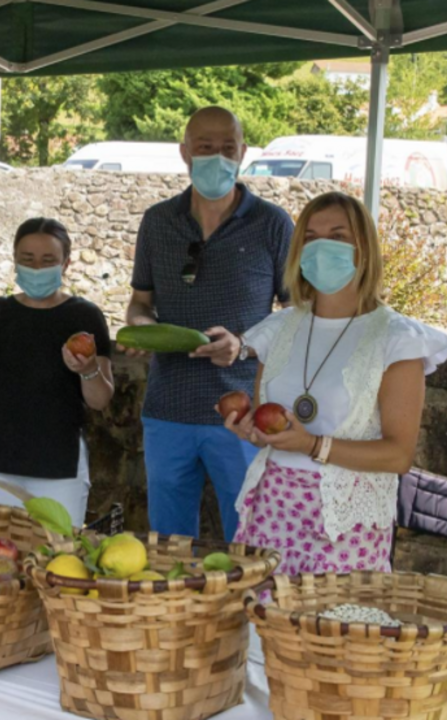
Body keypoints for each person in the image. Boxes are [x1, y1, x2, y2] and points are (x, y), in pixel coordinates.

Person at [223, 192, 447, 574]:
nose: (321, 248)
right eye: (311, 238)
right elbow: (271, 428)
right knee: (266, 627)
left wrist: (312, 445)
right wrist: (254, 432)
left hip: (346, 527)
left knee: (331, 630)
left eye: (338, 236)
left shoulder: (396, 338)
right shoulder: (277, 330)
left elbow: (398, 455)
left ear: (363, 249)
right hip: (273, 511)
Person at [123, 106, 294, 541]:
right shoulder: (158, 222)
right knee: (168, 545)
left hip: (246, 414)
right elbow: (140, 302)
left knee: (251, 538)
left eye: (227, 148)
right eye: (205, 147)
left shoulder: (273, 225)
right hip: (168, 410)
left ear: (244, 153)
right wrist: (141, 328)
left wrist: (244, 345)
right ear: (184, 152)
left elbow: (298, 317)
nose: (217, 156)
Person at [0, 218, 115, 526]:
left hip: (59, 467)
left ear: (66, 262)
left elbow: (100, 399)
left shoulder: (84, 315)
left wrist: (88, 370)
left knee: (59, 558)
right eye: (28, 259)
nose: (37, 267)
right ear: (14, 260)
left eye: (48, 260)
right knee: (1, 560)